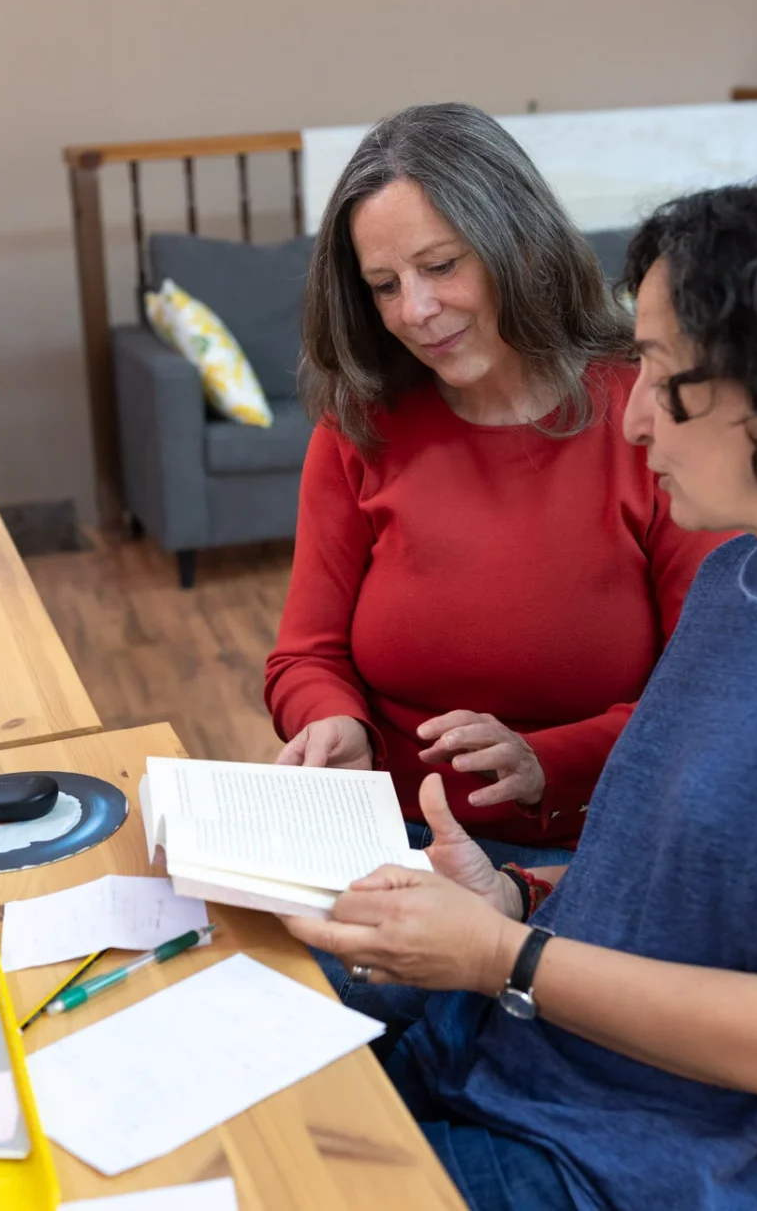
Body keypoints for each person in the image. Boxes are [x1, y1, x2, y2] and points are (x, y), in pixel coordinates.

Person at [283, 165, 757, 1211]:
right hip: (546, 1074)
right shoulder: (749, 575)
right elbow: (692, 890)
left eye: (662, 374)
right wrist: (512, 897)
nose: (635, 420)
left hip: (682, 1165)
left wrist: (505, 956)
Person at [265, 103, 726, 865]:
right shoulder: (359, 424)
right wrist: (331, 721)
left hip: (588, 845)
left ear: (517, 242)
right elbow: (304, 657)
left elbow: (709, 695)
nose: (414, 311)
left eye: (441, 266)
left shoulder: (646, 416)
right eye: (383, 285)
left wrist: (551, 758)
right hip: (390, 839)